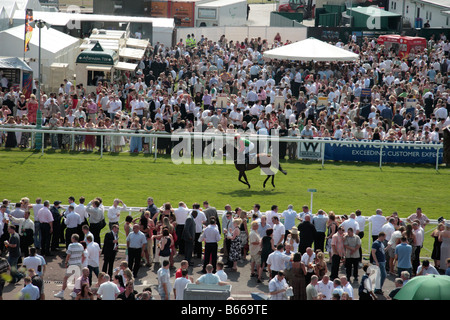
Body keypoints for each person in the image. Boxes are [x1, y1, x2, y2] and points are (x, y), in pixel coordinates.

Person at [54, 234, 85, 299]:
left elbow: (68, 255)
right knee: (76, 278)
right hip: (78, 264)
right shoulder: (81, 245)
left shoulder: (71, 245)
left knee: (66, 278)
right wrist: (80, 262)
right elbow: (83, 255)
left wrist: (66, 262)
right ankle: (74, 292)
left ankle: (62, 292)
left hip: (72, 264)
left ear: (73, 238)